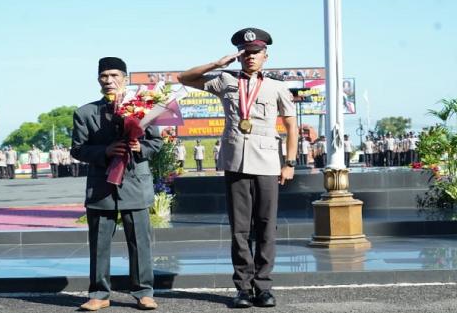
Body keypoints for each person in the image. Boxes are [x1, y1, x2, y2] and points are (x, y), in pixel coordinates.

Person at [178, 27, 298, 308]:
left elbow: (291, 126)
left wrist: (289, 163)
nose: (250, 57)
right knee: (239, 229)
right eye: (246, 53)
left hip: (268, 163)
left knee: (267, 227)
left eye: (256, 52)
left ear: (265, 56)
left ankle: (264, 287)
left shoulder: (277, 87)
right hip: (235, 161)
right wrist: (217, 63)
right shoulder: (224, 81)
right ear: (239, 55)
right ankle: (243, 288)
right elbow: (184, 78)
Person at [71, 57, 161, 311]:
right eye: (104, 76)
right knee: (99, 243)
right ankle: (99, 293)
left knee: (140, 241)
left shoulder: (144, 108)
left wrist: (139, 147)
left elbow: (156, 144)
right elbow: (78, 150)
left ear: (125, 78)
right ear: (98, 79)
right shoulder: (85, 112)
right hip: (102, 186)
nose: (109, 81)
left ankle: (144, 292)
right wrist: (106, 150)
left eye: (114, 76)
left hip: (135, 183)